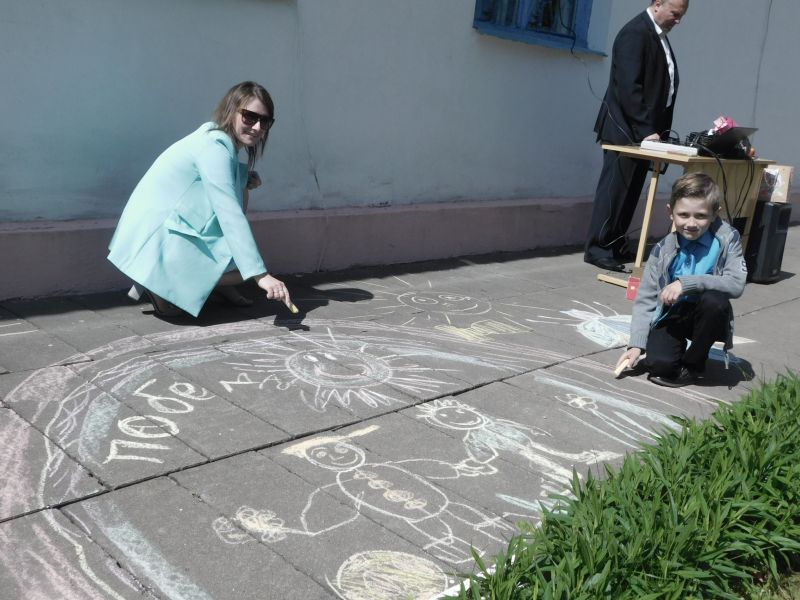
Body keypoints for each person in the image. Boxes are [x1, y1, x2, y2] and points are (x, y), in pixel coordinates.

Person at [108, 81, 292, 318]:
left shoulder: (218, 140)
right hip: (155, 237)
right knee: (245, 269)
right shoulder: (213, 146)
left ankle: (214, 285)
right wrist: (261, 275)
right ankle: (160, 283)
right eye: (249, 117)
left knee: (240, 251)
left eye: (264, 121)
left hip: (166, 228)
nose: (257, 127)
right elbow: (229, 212)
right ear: (231, 110)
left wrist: (243, 177)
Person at [585, 0, 689, 272]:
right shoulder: (635, 33)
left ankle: (616, 244)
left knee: (630, 193)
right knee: (615, 192)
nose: (678, 20)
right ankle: (598, 248)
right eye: (675, 14)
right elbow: (629, 87)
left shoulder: (656, 35)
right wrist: (646, 130)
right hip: (625, 132)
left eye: (682, 16)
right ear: (658, 4)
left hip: (645, 135)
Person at [615, 173, 747, 387]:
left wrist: (687, 283)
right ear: (671, 212)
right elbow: (646, 298)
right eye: (683, 215)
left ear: (715, 213)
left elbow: (736, 283)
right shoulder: (662, 249)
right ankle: (670, 354)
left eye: (701, 216)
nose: (691, 223)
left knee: (714, 301)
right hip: (673, 313)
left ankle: (693, 365)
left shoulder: (727, 238)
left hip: (707, 315)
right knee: (659, 366)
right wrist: (636, 344)